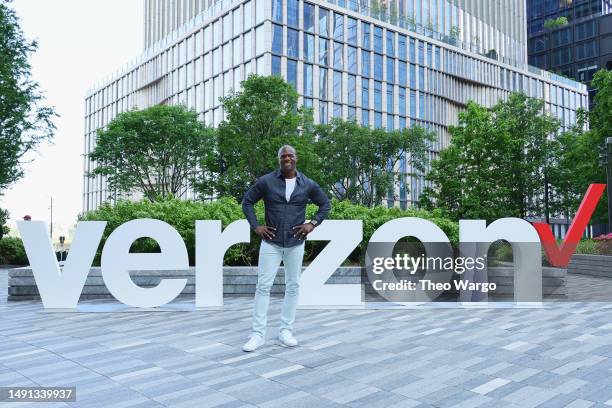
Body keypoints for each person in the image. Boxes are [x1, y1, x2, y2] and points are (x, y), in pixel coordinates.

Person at [241, 145, 331, 351]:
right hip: (270, 243)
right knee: (263, 287)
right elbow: (247, 202)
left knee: (293, 287)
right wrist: (256, 226)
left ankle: (285, 331)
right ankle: (257, 335)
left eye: (290, 155)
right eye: (283, 156)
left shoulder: (307, 184)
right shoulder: (266, 181)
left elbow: (325, 204)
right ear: (279, 160)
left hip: (295, 243)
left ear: (296, 158)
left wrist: (312, 223)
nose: (287, 158)